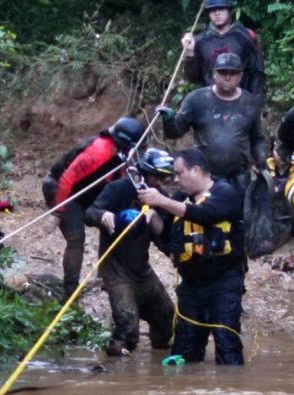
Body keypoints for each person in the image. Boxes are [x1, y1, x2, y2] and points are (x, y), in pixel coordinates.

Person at [138, 147, 245, 365]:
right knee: (184, 353)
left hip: (223, 281)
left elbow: (204, 214)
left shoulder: (225, 193)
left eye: (179, 173)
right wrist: (153, 218)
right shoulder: (181, 198)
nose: (176, 180)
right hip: (191, 285)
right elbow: (169, 235)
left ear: (196, 170)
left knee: (227, 346)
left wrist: (162, 201)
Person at [84, 148, 176, 357]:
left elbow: (166, 236)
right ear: (144, 173)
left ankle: (160, 354)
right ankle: (116, 363)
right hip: (115, 269)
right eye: (156, 177)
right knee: (127, 328)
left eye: (162, 178)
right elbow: (89, 213)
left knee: (166, 315)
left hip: (142, 269)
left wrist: (156, 218)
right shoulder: (118, 189)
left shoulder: (159, 196)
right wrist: (103, 215)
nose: (158, 183)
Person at [41, 116, 144, 302]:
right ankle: (70, 293)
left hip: (86, 193)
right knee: (76, 239)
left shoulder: (120, 156)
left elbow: (117, 183)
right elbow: (66, 179)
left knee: (111, 223)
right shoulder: (98, 152)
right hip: (62, 190)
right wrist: (58, 212)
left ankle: (107, 275)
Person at [159, 52, 267, 197]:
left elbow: (257, 138)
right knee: (204, 215)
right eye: (223, 72)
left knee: (239, 217)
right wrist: (169, 120)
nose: (227, 77)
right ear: (214, 75)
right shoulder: (196, 99)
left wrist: (262, 162)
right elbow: (175, 132)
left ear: (240, 76)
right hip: (205, 177)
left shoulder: (250, 103)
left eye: (233, 73)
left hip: (238, 177)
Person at [181, 0, 265, 102]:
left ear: (229, 10)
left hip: (240, 100)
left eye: (221, 9)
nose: (217, 13)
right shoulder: (200, 40)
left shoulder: (245, 36)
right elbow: (194, 78)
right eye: (212, 10)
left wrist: (255, 101)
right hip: (210, 101)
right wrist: (189, 54)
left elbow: (257, 72)